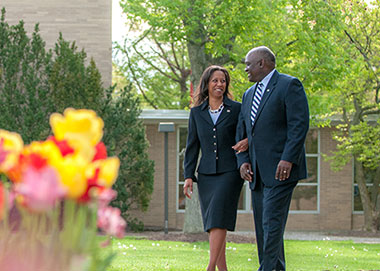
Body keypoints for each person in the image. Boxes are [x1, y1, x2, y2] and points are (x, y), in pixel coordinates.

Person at [236, 46, 309, 271]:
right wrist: (243, 161)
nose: (245, 69)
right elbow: (244, 132)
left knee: (271, 224)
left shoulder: (289, 85)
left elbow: (299, 125)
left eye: (248, 64)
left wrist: (288, 158)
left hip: (281, 170)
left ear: (262, 63)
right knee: (263, 227)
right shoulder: (248, 94)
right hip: (257, 173)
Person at [183, 65, 247, 271]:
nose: (219, 84)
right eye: (215, 80)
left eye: (223, 81)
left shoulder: (237, 109)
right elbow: (192, 146)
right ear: (207, 84)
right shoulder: (196, 113)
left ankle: (210, 267)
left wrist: (248, 142)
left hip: (230, 172)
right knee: (213, 223)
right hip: (206, 174)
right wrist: (188, 176)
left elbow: (249, 133)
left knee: (218, 218)